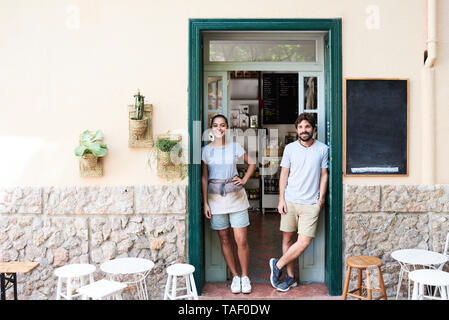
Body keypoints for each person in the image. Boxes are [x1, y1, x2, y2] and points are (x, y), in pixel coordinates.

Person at [269, 113, 329, 292]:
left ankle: (277, 265)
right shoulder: (290, 149)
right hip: (290, 201)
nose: (304, 130)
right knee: (287, 239)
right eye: (301, 127)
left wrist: (321, 200)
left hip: (311, 204)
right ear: (297, 130)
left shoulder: (323, 149)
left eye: (307, 127)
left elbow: (324, 174)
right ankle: (290, 277)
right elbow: (284, 174)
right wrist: (281, 199)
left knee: (304, 241)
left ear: (313, 129)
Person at [201, 114, 256, 294]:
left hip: (237, 198)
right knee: (224, 239)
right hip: (215, 200)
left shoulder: (235, 146)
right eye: (215, 125)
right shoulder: (206, 150)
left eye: (222, 125)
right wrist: (205, 203)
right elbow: (204, 177)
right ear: (211, 129)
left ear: (227, 128)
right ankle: (235, 276)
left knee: (241, 240)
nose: (219, 128)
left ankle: (245, 276)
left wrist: (244, 179)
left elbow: (252, 163)